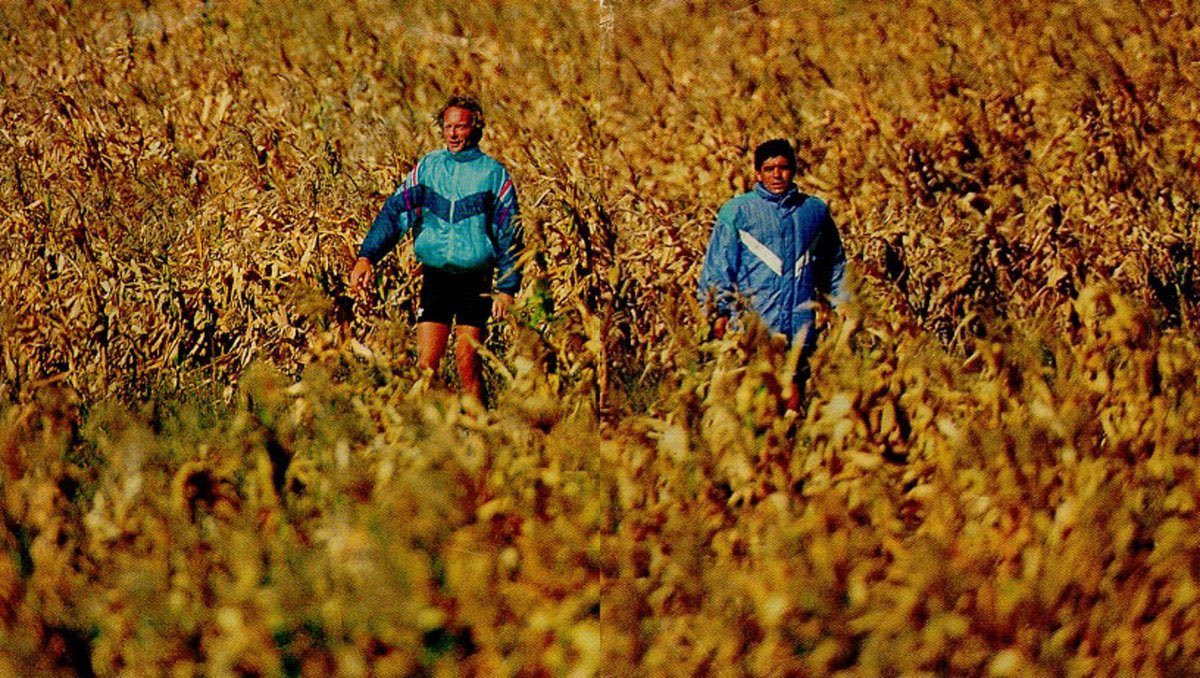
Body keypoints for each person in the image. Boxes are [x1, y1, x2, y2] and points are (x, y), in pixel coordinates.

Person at [350, 95, 522, 404]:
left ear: (476, 128)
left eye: (461, 127)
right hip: (437, 279)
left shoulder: (493, 175)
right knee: (427, 367)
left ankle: (480, 439)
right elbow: (394, 214)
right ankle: (430, 438)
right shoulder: (429, 168)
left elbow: (510, 233)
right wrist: (367, 256)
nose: (454, 134)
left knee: (468, 365)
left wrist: (507, 288)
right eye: (448, 127)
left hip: (476, 281)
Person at [698, 138, 847, 411]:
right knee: (755, 402)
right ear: (757, 173)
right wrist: (718, 311)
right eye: (769, 169)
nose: (777, 174)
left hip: (799, 326)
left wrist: (843, 304)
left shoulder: (814, 211)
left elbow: (834, 264)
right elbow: (719, 265)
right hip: (754, 325)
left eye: (784, 167)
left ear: (794, 170)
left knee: (793, 401)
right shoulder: (738, 211)